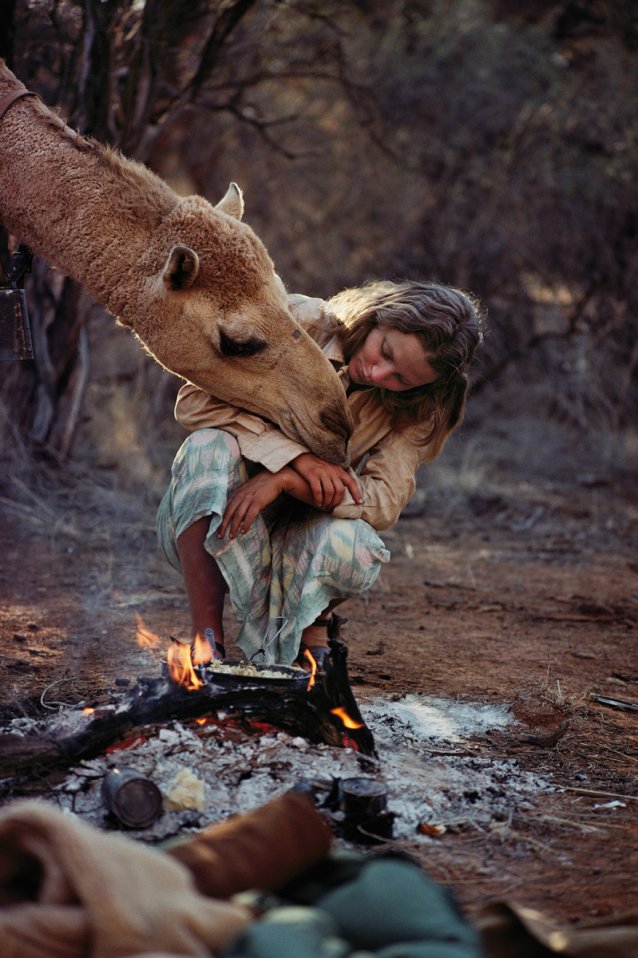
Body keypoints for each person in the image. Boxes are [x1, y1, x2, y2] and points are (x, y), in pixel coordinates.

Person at [156, 280, 484, 669]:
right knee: (206, 448)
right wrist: (295, 458)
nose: (379, 374)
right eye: (385, 351)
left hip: (302, 531)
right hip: (216, 514)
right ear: (376, 314)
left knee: (358, 545)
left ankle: (311, 628)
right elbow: (194, 400)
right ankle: (206, 644)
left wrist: (286, 481)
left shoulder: (422, 405)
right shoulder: (300, 322)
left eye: (402, 380)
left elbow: (382, 501)